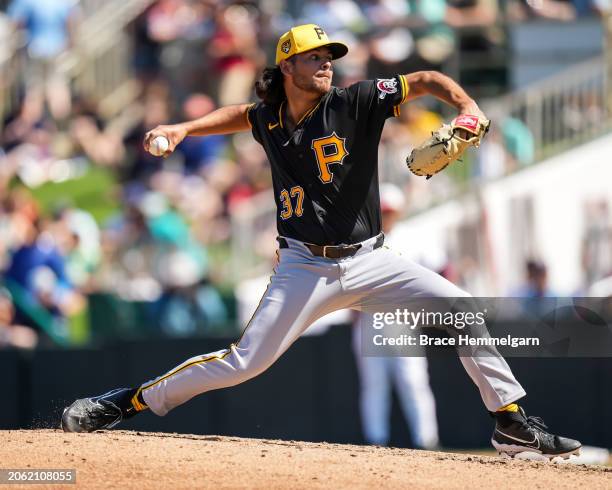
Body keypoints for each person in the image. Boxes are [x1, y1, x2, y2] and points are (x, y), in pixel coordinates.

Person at [61, 24, 581, 460]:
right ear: (286, 67)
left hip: (374, 260)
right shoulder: (269, 117)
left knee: (461, 307)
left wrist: (466, 105)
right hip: (304, 267)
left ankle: (509, 422)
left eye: (330, 56)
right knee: (244, 363)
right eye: (314, 58)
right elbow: (238, 115)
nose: (327, 64)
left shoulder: (355, 101)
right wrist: (182, 128)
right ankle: (125, 403)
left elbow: (423, 79)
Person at [352, 183, 439, 449]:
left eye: (390, 211)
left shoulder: (412, 237)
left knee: (414, 382)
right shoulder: (362, 239)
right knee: (374, 386)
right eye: (383, 211)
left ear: (399, 212)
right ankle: (375, 441)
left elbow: (440, 271)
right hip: (369, 320)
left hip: (403, 320)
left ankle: (426, 441)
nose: (386, 216)